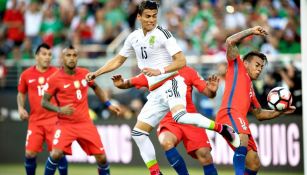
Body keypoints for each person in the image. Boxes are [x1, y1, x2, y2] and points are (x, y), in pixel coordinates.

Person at [86, 1, 239, 174]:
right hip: (156, 92)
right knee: (138, 133)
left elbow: (182, 61)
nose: (151, 20)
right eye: (148, 16)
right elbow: (118, 60)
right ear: (139, 17)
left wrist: (159, 70)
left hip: (171, 82)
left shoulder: (162, 34)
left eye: (154, 16)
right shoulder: (133, 37)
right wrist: (97, 73)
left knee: (180, 116)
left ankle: (222, 129)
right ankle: (156, 172)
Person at [111, 66, 220, 175]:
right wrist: (120, 83)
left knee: (205, 155)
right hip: (168, 119)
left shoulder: (187, 70)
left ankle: (222, 130)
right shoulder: (152, 72)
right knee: (166, 142)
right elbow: (128, 83)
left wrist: (212, 91)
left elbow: (209, 93)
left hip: (189, 117)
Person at [218, 26, 296, 175]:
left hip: (239, 119)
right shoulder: (237, 67)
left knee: (253, 163)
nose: (260, 69)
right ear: (246, 63)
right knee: (242, 140)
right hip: (228, 113)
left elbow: (259, 114)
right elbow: (229, 42)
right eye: (257, 65)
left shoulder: (251, 90)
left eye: (262, 67)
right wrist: (251, 31)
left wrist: (281, 111)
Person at [41, 45, 120, 175]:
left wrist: (108, 104)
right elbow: (43, 102)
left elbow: (96, 88)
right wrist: (59, 109)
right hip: (65, 125)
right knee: (56, 154)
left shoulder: (84, 73)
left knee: (102, 158)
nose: (71, 58)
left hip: (85, 124)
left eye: (74, 55)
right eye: (68, 55)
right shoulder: (54, 79)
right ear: (62, 58)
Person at [17, 43, 68, 175]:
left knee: (58, 153)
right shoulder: (26, 75)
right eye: (44, 54)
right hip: (35, 122)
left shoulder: (57, 73)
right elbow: (21, 93)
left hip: (55, 121)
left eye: (49, 54)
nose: (47, 57)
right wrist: (21, 108)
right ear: (36, 56)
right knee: (29, 153)